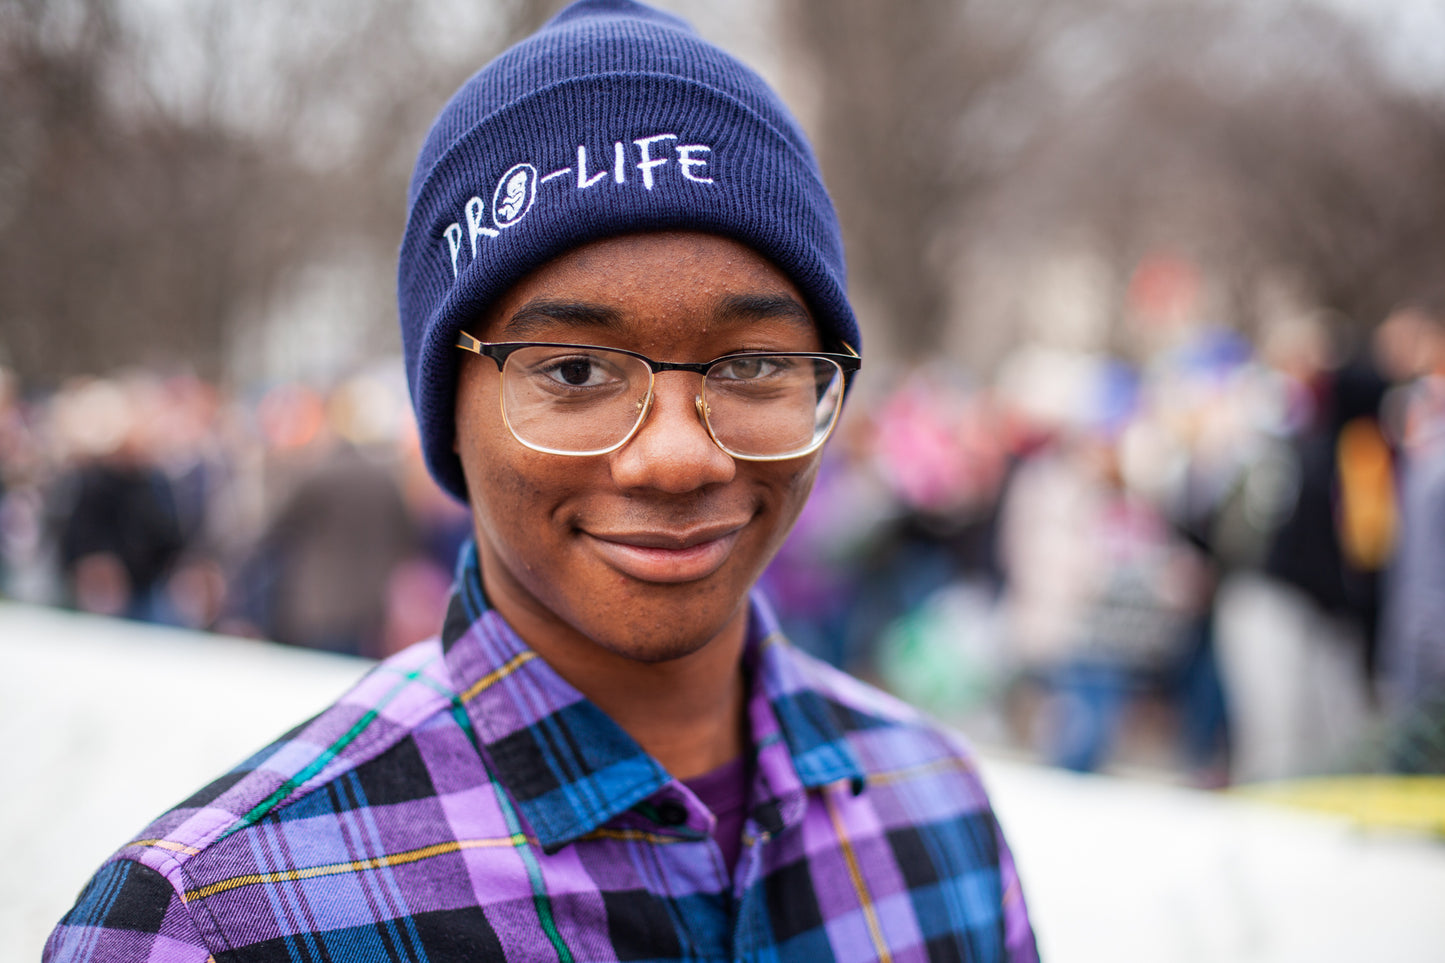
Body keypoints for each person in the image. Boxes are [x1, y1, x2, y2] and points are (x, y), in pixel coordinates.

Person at [45, 2, 1036, 959]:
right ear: (448, 415)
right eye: (573, 372)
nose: (677, 457)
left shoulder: (934, 813)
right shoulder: (223, 919)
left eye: (752, 367)